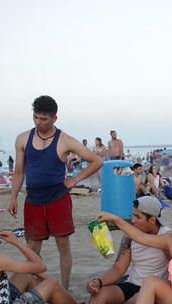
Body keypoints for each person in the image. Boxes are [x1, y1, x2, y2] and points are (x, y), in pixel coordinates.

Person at [8, 95, 103, 289]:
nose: (38, 122)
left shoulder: (65, 141)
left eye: (44, 119)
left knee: (63, 245)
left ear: (54, 118)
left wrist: (75, 180)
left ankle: (65, 288)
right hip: (33, 199)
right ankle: (35, 287)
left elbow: (97, 161)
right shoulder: (23, 138)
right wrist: (13, 198)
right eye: (35, 117)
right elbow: (19, 171)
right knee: (33, 247)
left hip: (57, 198)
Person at [67, 197, 171, 304]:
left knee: (137, 301)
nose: (133, 220)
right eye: (132, 215)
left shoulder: (167, 236)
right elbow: (118, 269)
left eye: (137, 217)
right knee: (99, 294)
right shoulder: (129, 237)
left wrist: (116, 220)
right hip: (132, 283)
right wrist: (99, 282)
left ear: (152, 220)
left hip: (153, 290)